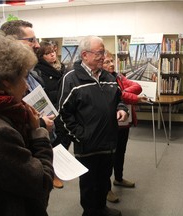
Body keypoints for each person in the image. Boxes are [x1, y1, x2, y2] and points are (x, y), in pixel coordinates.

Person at [57, 36, 129, 216]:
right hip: (87, 144)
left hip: (109, 141)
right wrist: (81, 135)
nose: (103, 56)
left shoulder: (108, 77)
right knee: (89, 183)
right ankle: (90, 212)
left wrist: (121, 108)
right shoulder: (71, 79)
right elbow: (63, 113)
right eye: (99, 53)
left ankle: (101, 208)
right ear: (85, 55)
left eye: (103, 52)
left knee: (104, 179)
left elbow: (118, 98)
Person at [0, 34, 54, 216]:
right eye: (23, 78)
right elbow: (41, 183)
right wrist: (38, 133)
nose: (27, 86)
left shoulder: (9, 114)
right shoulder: (2, 133)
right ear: (6, 83)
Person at [0, 20, 60, 188]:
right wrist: (39, 126)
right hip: (28, 161)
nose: (37, 45)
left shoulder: (34, 75)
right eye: (31, 40)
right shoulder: (2, 128)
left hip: (40, 151)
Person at [102, 51, 148, 203]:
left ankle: (119, 179)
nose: (111, 64)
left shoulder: (118, 76)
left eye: (112, 61)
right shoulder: (101, 80)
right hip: (110, 124)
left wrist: (122, 92)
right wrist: (129, 97)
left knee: (121, 152)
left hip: (124, 123)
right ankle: (106, 189)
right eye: (107, 62)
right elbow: (115, 97)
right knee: (108, 157)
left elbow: (137, 86)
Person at [35, 40, 72, 189]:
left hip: (63, 109)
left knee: (65, 138)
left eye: (53, 51)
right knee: (54, 141)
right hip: (51, 111)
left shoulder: (61, 68)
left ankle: (59, 166)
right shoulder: (39, 71)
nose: (52, 54)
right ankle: (53, 172)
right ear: (41, 56)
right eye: (48, 53)